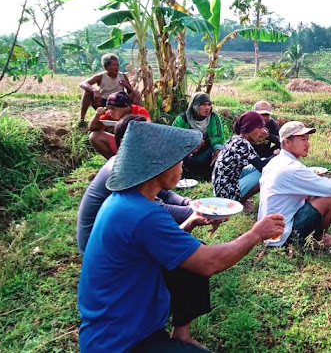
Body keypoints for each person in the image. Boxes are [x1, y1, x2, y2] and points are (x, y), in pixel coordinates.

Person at [78, 121, 285, 352]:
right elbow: (209, 262)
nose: (182, 165)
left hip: (123, 327)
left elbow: (169, 245)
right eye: (177, 160)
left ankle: (181, 336)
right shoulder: (143, 214)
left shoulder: (128, 200)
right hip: (118, 343)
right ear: (159, 166)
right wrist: (257, 233)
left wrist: (192, 220)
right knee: (197, 258)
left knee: (189, 256)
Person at [77, 115, 194, 256]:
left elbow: (163, 193)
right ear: (127, 141)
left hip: (116, 236)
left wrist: (187, 202)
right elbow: (160, 209)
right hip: (99, 247)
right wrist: (197, 212)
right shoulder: (123, 172)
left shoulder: (134, 165)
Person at [258, 121, 331, 249]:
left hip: (266, 231)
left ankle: (312, 236)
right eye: (302, 139)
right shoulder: (292, 168)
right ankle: (318, 239)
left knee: (313, 194)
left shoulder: (276, 162)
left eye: (307, 139)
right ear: (287, 142)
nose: (307, 143)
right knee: (327, 199)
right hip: (280, 237)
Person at [212, 111, 273, 208]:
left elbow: (258, 161)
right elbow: (261, 166)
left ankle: (242, 198)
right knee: (266, 172)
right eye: (259, 127)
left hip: (222, 186)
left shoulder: (236, 139)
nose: (262, 131)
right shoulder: (242, 144)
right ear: (250, 127)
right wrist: (277, 155)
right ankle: (241, 202)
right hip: (225, 193)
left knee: (265, 162)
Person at [172, 92, 224, 179]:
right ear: (195, 106)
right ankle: (180, 173)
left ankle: (213, 174)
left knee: (219, 147)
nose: (207, 108)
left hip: (206, 150)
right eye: (203, 105)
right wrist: (190, 146)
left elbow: (219, 137)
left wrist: (203, 142)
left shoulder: (213, 117)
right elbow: (173, 137)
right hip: (187, 152)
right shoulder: (183, 119)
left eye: (209, 104)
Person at [79, 53, 141, 123]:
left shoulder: (122, 76)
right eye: (114, 65)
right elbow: (83, 83)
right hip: (104, 103)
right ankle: (81, 119)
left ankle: (135, 118)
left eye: (117, 65)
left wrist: (126, 85)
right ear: (106, 67)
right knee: (87, 92)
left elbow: (130, 91)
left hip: (119, 103)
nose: (117, 67)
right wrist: (94, 90)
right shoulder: (101, 76)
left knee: (136, 93)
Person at [88, 91, 150, 159]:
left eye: (113, 108)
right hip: (121, 143)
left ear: (124, 107)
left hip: (139, 145)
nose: (110, 111)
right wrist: (97, 115)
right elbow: (92, 128)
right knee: (94, 136)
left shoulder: (140, 112)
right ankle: (115, 161)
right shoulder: (110, 114)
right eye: (108, 108)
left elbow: (148, 133)